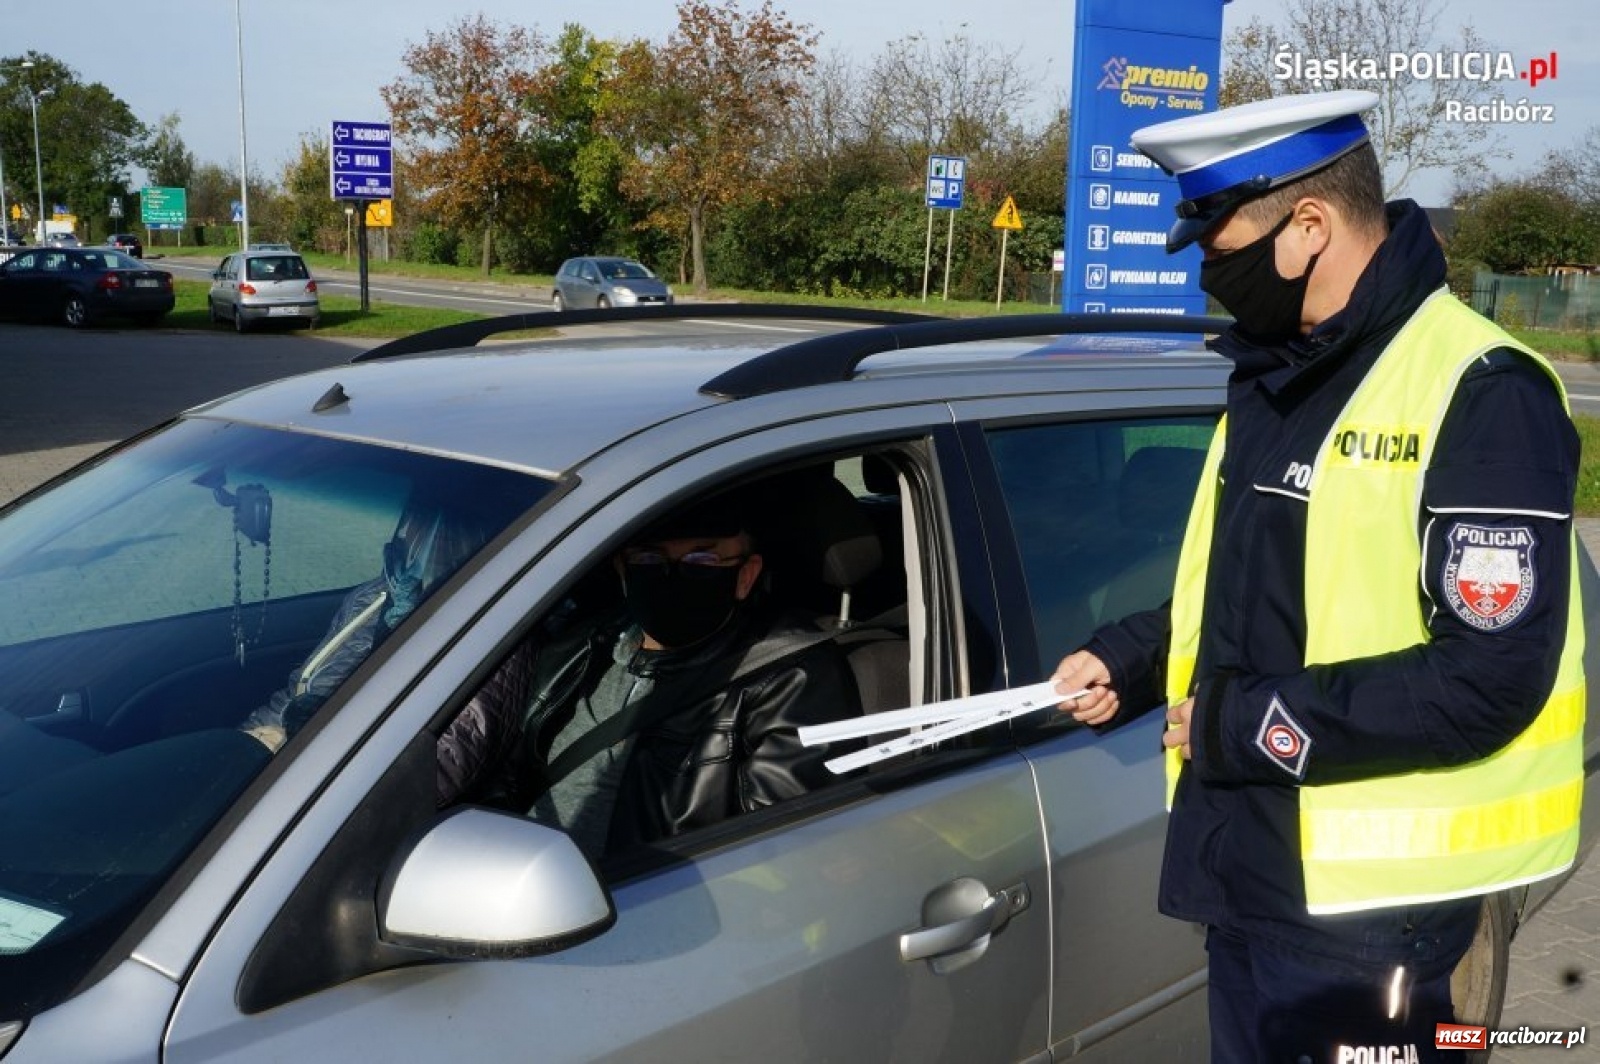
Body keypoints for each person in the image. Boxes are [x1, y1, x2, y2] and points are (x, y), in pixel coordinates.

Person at [1051, 89, 1585, 1063]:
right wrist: (1132, 657)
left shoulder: (1480, 388)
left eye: (1221, 246)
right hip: (1252, 868)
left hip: (1370, 915)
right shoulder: (1283, 372)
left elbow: (1487, 677)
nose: (1210, 273)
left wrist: (1239, 724)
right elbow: (1258, 585)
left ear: (1308, 226)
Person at [517, 489, 864, 860]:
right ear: (623, 570)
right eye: (650, 558)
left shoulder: (791, 677)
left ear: (746, 575)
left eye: (702, 559)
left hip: (640, 891)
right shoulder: (583, 645)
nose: (673, 577)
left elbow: (784, 850)